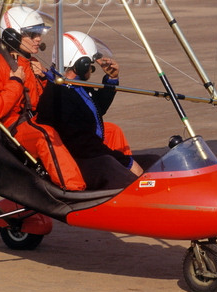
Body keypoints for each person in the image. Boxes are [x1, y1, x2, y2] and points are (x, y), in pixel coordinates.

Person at [0, 6, 86, 190]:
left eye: (39, 33)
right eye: (32, 34)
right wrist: (15, 82)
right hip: (13, 130)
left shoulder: (32, 63)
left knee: (88, 127)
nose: (38, 39)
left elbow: (42, 102)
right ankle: (75, 188)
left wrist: (45, 77)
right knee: (46, 135)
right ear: (13, 36)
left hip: (34, 121)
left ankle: (110, 177)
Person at [36, 31, 143, 190]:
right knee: (128, 170)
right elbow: (85, 144)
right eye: (90, 65)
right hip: (81, 161)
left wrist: (111, 80)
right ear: (81, 65)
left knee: (153, 161)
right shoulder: (59, 95)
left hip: (90, 155)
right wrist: (125, 162)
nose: (92, 69)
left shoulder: (72, 86)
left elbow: (94, 109)